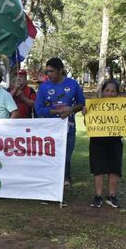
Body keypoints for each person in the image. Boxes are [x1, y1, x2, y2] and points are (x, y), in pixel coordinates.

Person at [83, 79, 126, 209]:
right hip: (97, 142)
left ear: (117, 93)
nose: (110, 93)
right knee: (98, 169)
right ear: (102, 92)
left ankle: (112, 195)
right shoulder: (94, 106)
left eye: (113, 91)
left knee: (114, 168)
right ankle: (98, 196)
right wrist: (85, 114)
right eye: (107, 91)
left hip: (115, 141)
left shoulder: (122, 106)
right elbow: (88, 125)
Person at [35, 58, 85, 187]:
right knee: (51, 157)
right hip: (49, 130)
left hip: (69, 128)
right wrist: (55, 111)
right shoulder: (43, 87)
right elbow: (39, 109)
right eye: (47, 72)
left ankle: (65, 179)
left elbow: (82, 103)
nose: (49, 75)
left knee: (66, 156)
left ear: (61, 70)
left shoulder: (73, 84)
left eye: (51, 71)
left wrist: (70, 110)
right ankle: (51, 184)